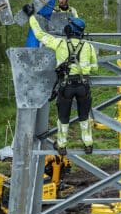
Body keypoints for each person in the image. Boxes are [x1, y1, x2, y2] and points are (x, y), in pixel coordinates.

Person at [29, 12, 98, 154]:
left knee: (63, 117)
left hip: (66, 86)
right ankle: (88, 144)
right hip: (83, 86)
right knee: (84, 117)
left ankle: (61, 145)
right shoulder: (88, 47)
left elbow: (40, 35)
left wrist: (31, 16)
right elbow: (95, 68)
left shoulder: (60, 43)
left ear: (69, 30)